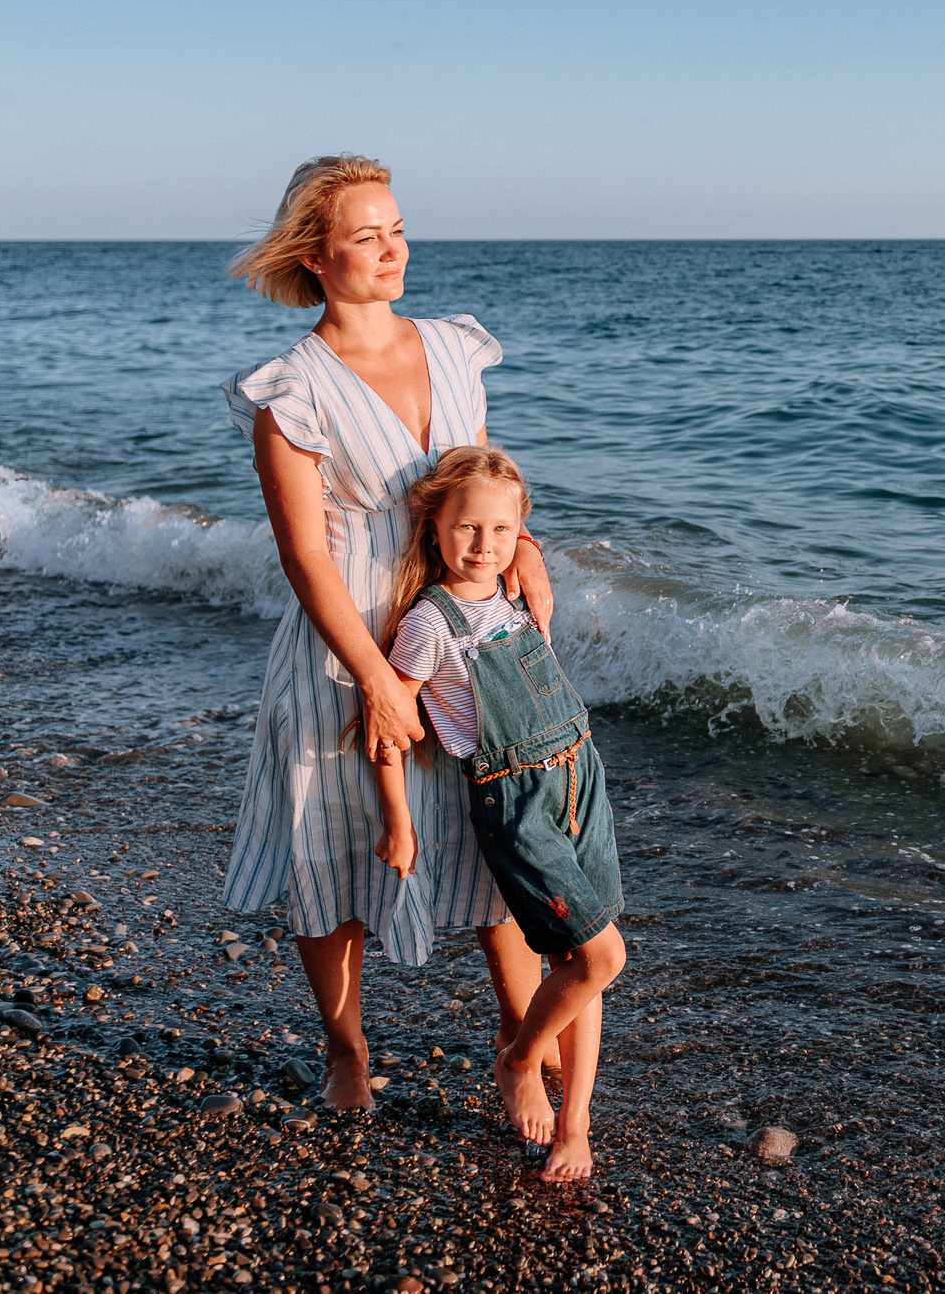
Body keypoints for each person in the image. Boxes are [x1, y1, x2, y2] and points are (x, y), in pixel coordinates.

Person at [220, 154, 555, 1112]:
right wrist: (373, 676)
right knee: (332, 851)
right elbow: (305, 561)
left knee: (504, 849)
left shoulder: (451, 346)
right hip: (345, 650)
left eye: (397, 228)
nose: (392, 249)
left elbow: (478, 483)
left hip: (463, 641)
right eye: (366, 236)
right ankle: (347, 1048)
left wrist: (524, 540)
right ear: (316, 257)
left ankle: (519, 1046)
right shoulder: (293, 388)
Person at [372, 445, 625, 1183]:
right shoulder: (430, 621)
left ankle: (575, 1123)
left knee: (584, 963)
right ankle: (519, 1058)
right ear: (435, 531)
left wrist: (531, 566)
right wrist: (399, 819)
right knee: (603, 954)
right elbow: (388, 720)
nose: (485, 545)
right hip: (516, 800)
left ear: (521, 533)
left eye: (501, 530)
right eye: (467, 529)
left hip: (582, 776)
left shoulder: (516, 591)